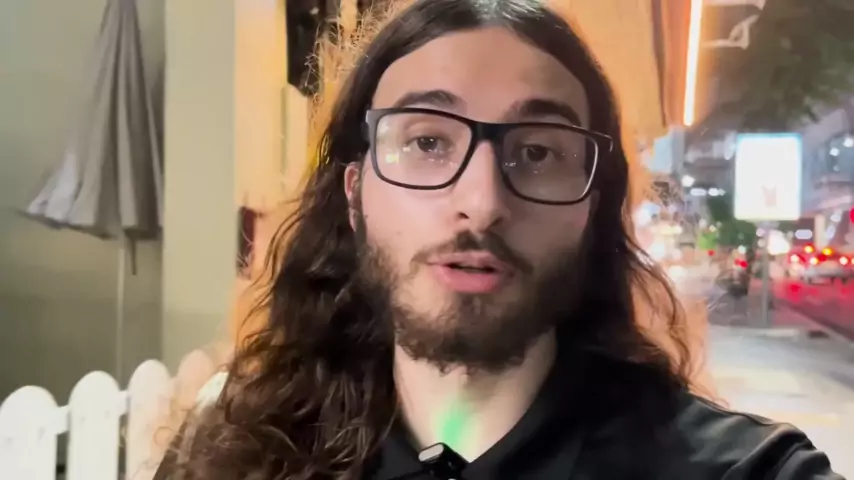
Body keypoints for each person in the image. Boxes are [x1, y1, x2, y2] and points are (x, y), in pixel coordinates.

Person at [155, 0, 844, 479]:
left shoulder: (743, 472)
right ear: (355, 194)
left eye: (538, 153)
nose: (482, 204)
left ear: (594, 208)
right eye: (427, 142)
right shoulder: (232, 454)